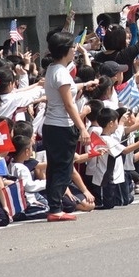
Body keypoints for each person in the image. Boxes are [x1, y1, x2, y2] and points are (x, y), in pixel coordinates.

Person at [42, 32, 97, 222]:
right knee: (63, 168)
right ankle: (56, 208)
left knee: (55, 167)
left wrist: (85, 84)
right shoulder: (61, 73)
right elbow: (69, 104)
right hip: (60, 126)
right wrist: (82, 128)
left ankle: (55, 206)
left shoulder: (53, 68)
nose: (75, 50)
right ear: (66, 50)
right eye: (73, 47)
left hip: (51, 125)